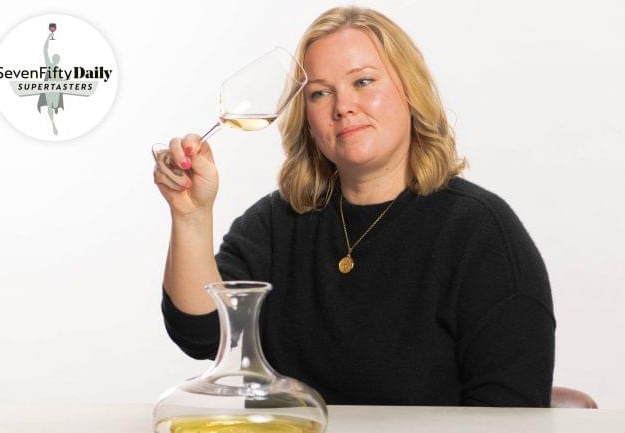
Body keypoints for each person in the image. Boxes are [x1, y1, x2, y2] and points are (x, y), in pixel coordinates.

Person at [152, 6, 556, 407]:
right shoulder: (278, 223)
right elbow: (201, 333)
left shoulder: (480, 233)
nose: (342, 106)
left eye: (363, 81)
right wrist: (191, 215)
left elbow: (511, 415)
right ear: (306, 117)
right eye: (320, 92)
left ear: (410, 91)